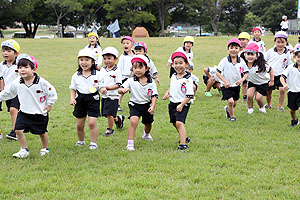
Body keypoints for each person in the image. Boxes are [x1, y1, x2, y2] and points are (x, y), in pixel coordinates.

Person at [0, 54, 57, 158]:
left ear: (33, 69)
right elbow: (8, 92)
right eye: (20, 67)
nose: (22, 70)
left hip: (39, 112)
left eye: (26, 67)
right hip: (24, 112)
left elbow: (52, 92)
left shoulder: (42, 82)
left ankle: (45, 148)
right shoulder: (17, 82)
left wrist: (49, 104)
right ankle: (24, 149)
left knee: (42, 132)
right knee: (17, 130)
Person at [118, 55, 158, 151]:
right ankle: (130, 144)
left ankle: (146, 134)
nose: (138, 70)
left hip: (147, 105)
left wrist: (152, 106)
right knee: (133, 121)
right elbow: (120, 89)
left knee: (148, 123)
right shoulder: (131, 80)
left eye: (140, 67)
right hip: (134, 105)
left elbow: (154, 96)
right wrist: (122, 90)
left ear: (147, 68)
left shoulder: (151, 82)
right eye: (135, 68)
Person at [70, 49, 101, 150]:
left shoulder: (97, 74)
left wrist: (103, 89)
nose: (84, 62)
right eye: (81, 60)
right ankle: (81, 141)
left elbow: (101, 85)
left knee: (92, 123)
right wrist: (72, 98)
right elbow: (73, 88)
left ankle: (93, 142)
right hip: (80, 99)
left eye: (87, 60)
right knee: (79, 125)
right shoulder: (76, 75)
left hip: (93, 99)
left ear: (92, 62)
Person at [162, 52, 194, 151]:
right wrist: (167, 93)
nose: (178, 66)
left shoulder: (188, 79)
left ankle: (183, 145)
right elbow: (172, 87)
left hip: (183, 103)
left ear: (186, 64)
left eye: (180, 63)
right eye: (175, 63)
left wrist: (182, 104)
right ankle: (183, 136)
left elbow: (190, 95)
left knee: (179, 122)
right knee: (174, 122)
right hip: (173, 103)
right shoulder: (173, 76)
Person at [216, 38, 249, 122]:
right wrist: (225, 82)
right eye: (231, 47)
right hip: (226, 86)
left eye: (236, 48)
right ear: (228, 49)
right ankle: (232, 117)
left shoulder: (241, 61)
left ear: (240, 49)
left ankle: (228, 109)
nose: (233, 50)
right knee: (230, 101)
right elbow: (218, 72)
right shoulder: (224, 60)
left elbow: (246, 73)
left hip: (236, 85)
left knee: (234, 103)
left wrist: (241, 80)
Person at [240, 43, 274, 114]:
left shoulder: (261, 65)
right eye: (248, 54)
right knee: (249, 95)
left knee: (258, 98)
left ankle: (261, 107)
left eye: (252, 54)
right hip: (252, 82)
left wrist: (271, 80)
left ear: (257, 56)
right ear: (244, 54)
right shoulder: (243, 64)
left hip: (262, 83)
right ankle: (250, 108)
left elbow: (271, 70)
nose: (250, 56)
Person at [99, 47, 124, 136]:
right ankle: (118, 120)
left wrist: (109, 88)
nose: (107, 61)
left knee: (109, 114)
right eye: (105, 58)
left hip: (113, 96)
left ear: (115, 59)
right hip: (104, 96)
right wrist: (101, 88)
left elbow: (118, 84)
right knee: (106, 114)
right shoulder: (102, 70)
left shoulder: (117, 71)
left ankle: (110, 129)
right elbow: (100, 81)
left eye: (109, 58)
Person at [265, 31, 292, 111]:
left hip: (281, 75)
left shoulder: (287, 52)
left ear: (286, 42)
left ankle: (280, 106)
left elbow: (289, 63)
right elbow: (264, 60)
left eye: (282, 42)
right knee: (269, 91)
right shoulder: (270, 51)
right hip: (271, 75)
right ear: (274, 42)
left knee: (282, 90)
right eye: (278, 42)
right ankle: (268, 104)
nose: (280, 44)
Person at [0, 39, 21, 140]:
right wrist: (3, 91)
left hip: (16, 92)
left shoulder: (19, 64)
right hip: (5, 92)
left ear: (16, 53)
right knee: (10, 109)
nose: (5, 53)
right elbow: (1, 79)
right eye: (3, 50)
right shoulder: (1, 65)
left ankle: (15, 131)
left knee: (13, 110)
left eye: (9, 51)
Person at [280, 45, 300, 128]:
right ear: (295, 57)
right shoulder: (290, 67)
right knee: (292, 110)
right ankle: (294, 120)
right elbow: (282, 77)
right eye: (299, 57)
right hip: (292, 92)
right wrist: (284, 84)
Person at [117, 36, 135, 112]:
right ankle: (117, 105)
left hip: (134, 77)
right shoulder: (122, 57)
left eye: (127, 43)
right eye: (123, 43)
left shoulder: (135, 55)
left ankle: (134, 104)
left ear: (132, 44)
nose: (125, 45)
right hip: (124, 77)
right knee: (121, 92)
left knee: (134, 91)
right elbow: (119, 68)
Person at [238, 32, 251, 102]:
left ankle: (253, 94)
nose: (241, 41)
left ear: (248, 40)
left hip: (251, 68)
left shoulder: (250, 48)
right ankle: (245, 96)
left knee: (252, 82)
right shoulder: (238, 49)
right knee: (244, 83)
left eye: (243, 39)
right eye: (240, 40)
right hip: (242, 70)